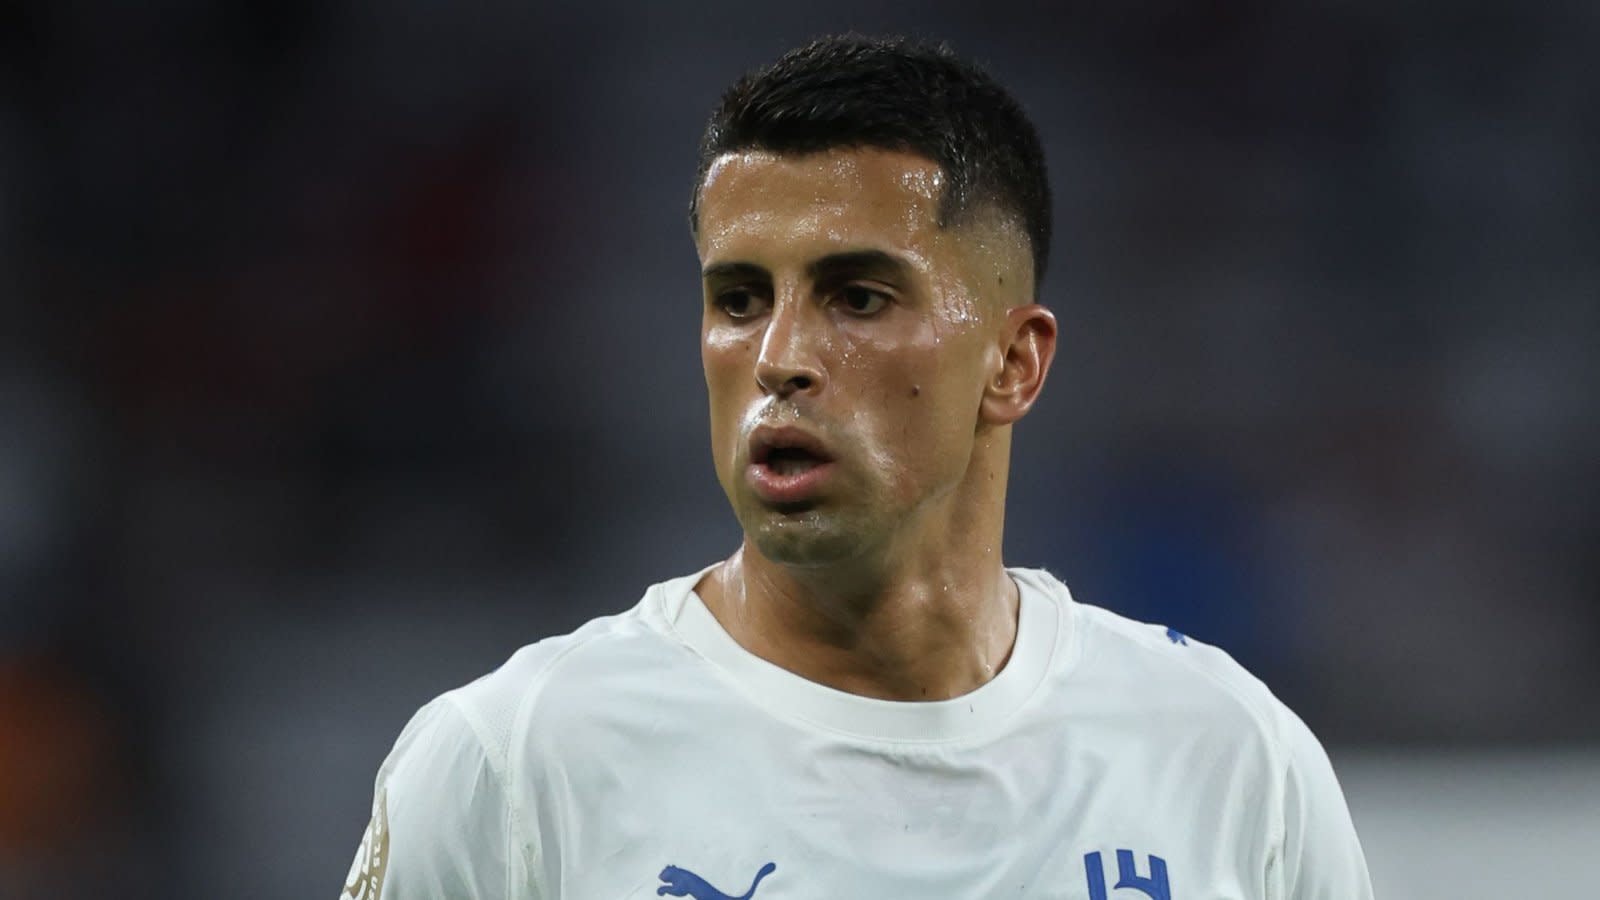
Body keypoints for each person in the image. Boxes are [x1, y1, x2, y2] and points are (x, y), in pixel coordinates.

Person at [341, 35, 1373, 900]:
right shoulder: (513, 762)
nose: (779, 356)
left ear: (1012, 364)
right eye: (739, 298)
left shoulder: (1230, 759)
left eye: (858, 297)